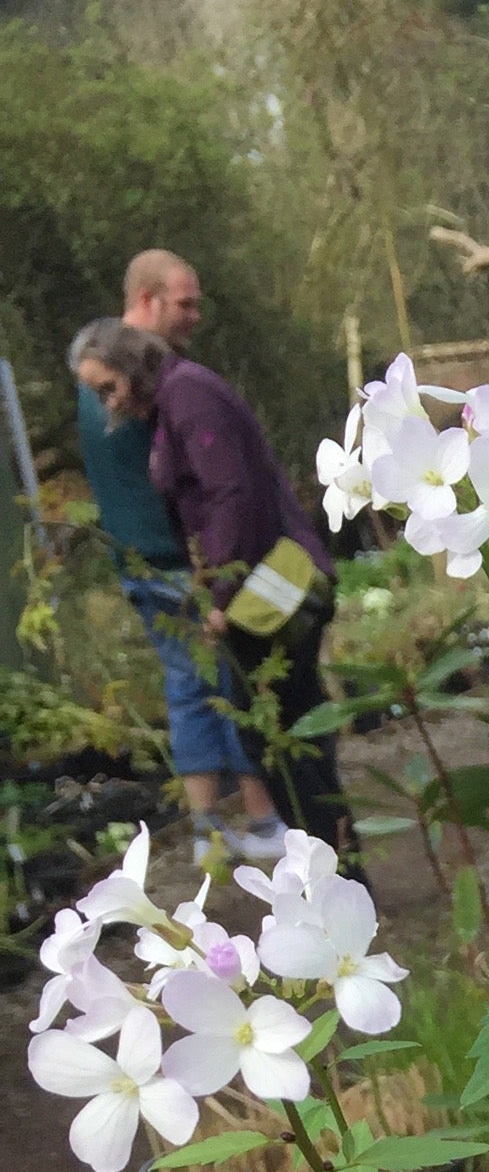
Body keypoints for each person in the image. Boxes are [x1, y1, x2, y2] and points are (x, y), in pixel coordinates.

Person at [68, 313, 356, 865]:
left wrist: (220, 597)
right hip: (254, 590)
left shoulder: (189, 397)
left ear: (131, 368)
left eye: (109, 388)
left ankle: (337, 871)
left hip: (267, 595)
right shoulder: (175, 402)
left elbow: (231, 498)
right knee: (274, 738)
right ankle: (325, 870)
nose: (109, 404)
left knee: (285, 742)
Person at [76, 251, 276, 864]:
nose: (194, 315)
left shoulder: (99, 371)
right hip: (173, 564)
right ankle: (265, 824)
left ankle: (207, 831)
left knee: (189, 687)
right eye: (183, 303)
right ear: (146, 299)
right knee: (226, 682)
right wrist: (209, 568)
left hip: (143, 563)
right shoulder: (137, 379)